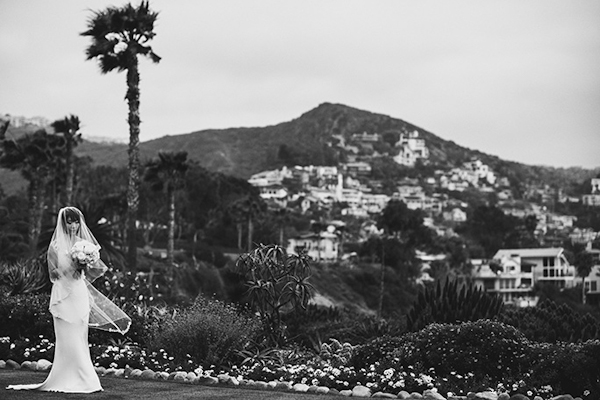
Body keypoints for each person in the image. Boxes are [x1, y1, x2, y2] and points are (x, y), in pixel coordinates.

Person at [7, 206, 131, 393]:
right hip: (63, 294)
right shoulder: (55, 246)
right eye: (69, 221)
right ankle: (65, 377)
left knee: (80, 335)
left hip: (79, 292)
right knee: (67, 336)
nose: (73, 225)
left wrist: (84, 263)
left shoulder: (84, 244)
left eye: (75, 221)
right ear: (63, 223)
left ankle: (86, 379)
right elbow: (53, 274)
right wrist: (72, 265)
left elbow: (93, 271)